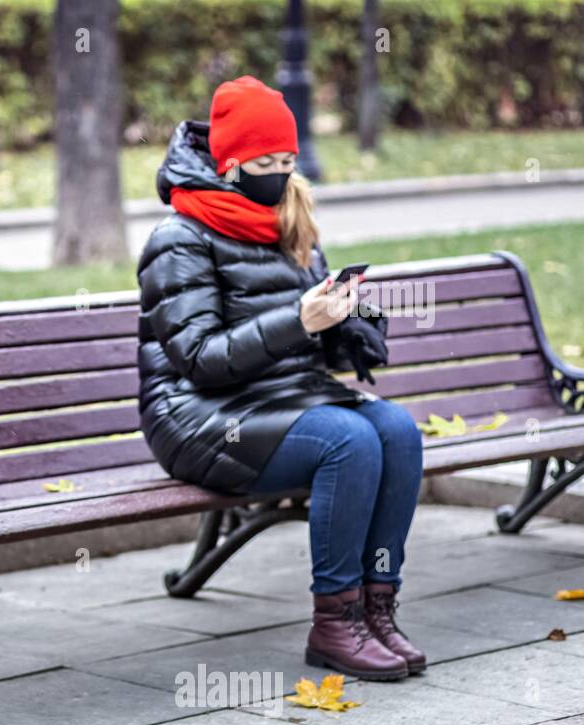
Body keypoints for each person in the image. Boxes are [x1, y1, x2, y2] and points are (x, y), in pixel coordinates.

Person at [136, 76, 425, 681]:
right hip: (198, 417)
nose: (279, 173)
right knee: (347, 441)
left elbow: (309, 343)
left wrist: (349, 327)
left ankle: (377, 607)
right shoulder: (178, 238)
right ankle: (335, 622)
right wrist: (297, 321)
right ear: (229, 163)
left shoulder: (289, 221)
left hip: (284, 400)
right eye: (264, 162)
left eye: (288, 160)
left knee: (396, 429)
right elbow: (200, 359)